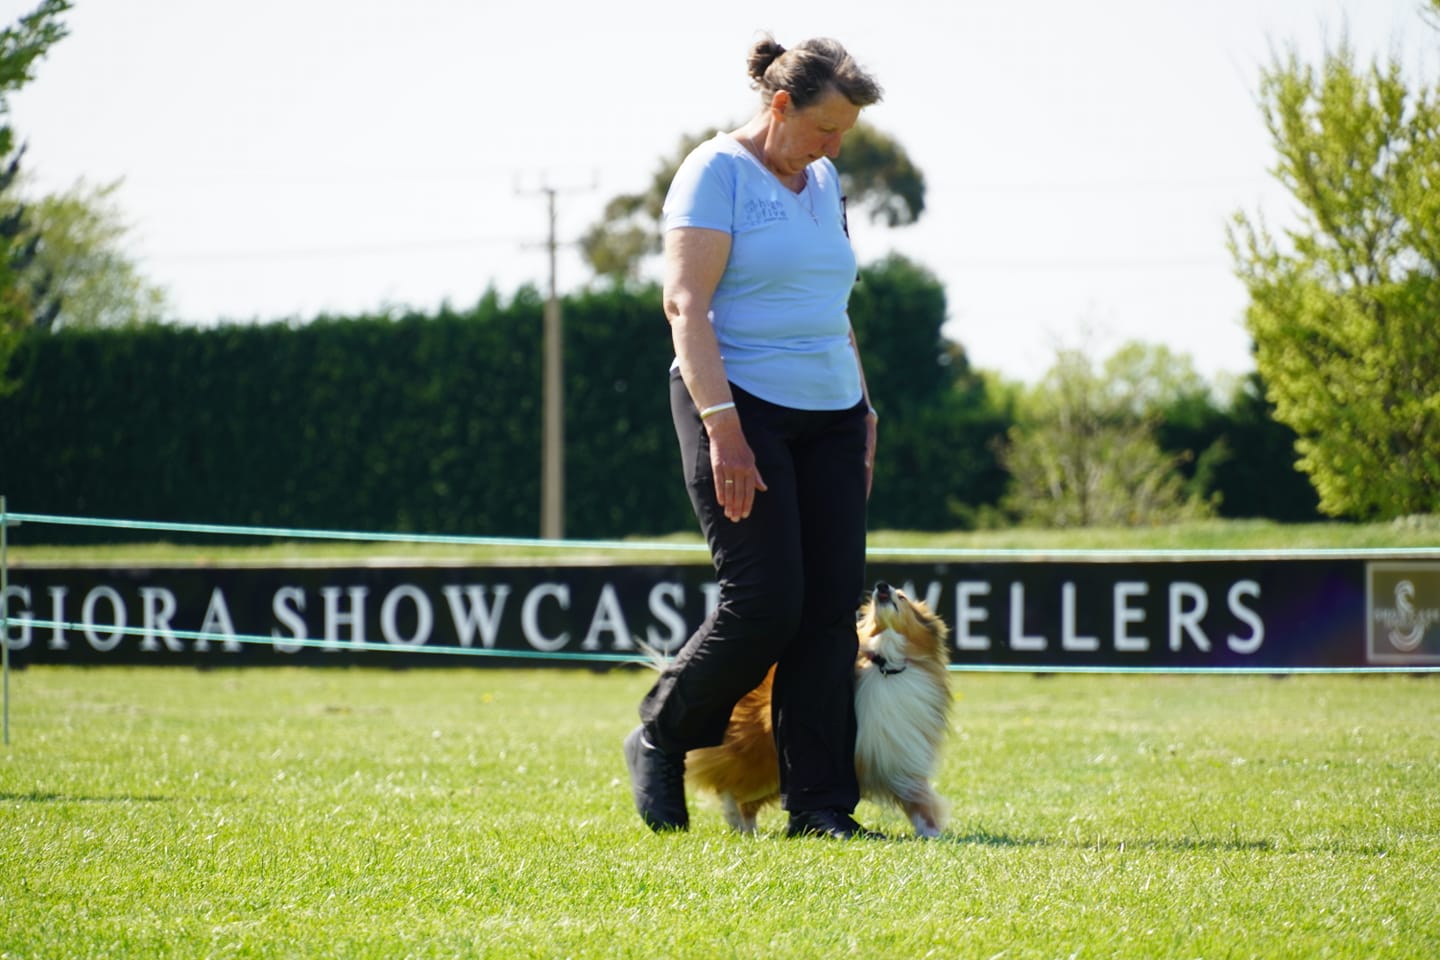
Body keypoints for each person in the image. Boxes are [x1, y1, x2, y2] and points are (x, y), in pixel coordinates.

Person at [623, 34, 883, 839]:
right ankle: (661, 733)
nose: (834, 147)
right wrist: (723, 428)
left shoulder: (825, 181)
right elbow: (686, 306)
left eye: (844, 133)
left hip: (833, 414)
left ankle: (821, 807)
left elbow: (829, 306)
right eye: (825, 128)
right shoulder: (715, 173)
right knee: (767, 602)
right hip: (737, 406)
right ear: (779, 105)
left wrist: (865, 408)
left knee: (828, 612)